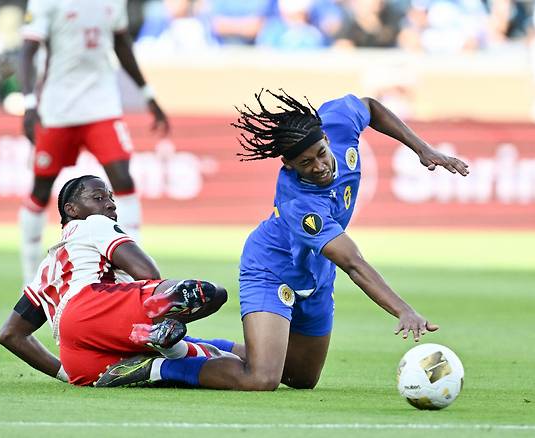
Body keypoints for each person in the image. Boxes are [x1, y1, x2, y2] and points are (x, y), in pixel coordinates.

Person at [99, 90, 469, 390]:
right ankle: (160, 369)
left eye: (320, 154)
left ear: (327, 137)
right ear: (288, 166)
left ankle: (194, 348)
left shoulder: (338, 124)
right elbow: (353, 263)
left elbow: (370, 107)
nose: (320, 166)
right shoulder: (299, 203)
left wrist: (423, 149)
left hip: (316, 275)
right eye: (306, 163)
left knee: (301, 379)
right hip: (272, 269)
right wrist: (403, 309)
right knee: (261, 378)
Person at [0, 175, 241, 386]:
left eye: (111, 198)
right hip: (94, 308)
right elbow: (147, 273)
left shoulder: (47, 270)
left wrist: (65, 372)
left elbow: (11, 335)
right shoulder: (93, 224)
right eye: (99, 197)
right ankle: (164, 340)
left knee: (223, 364)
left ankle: (164, 350)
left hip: (81, 356)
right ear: (72, 210)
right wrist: (162, 303)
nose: (111, 204)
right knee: (213, 293)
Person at [18, 0, 170, 284]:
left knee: (123, 179)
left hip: (102, 105)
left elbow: (122, 44)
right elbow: (28, 49)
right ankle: (29, 277)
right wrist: (29, 104)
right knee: (40, 188)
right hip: (58, 108)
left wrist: (148, 94)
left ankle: (131, 269)